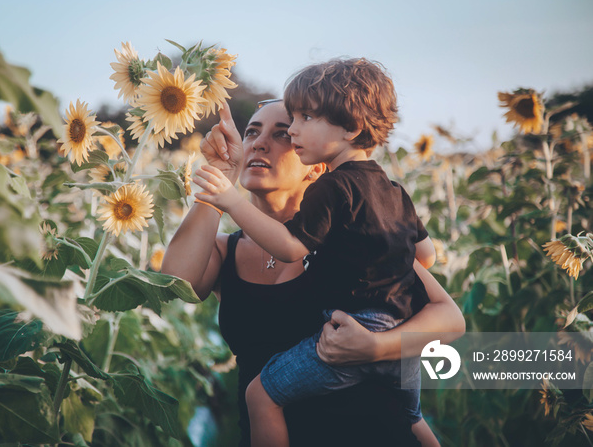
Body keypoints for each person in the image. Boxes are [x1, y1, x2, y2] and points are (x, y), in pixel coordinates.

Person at [163, 99, 464, 446]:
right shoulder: (224, 249)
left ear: (314, 166)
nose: (259, 143)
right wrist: (218, 181)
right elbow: (175, 284)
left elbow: (449, 318)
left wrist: (375, 346)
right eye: (251, 132)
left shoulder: (353, 239)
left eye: (282, 134)